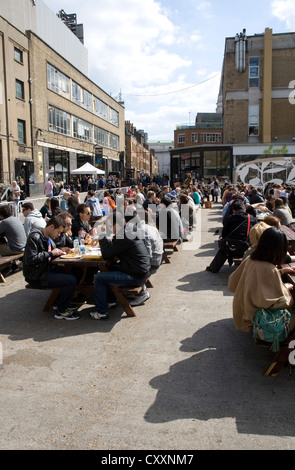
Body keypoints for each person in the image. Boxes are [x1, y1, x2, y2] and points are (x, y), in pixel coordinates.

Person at [228, 227, 295, 333]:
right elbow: (283, 303)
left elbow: (232, 284)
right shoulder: (269, 269)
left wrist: (281, 271)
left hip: (241, 313)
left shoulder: (249, 260)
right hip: (255, 320)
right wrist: (286, 288)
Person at [90, 212, 151, 320]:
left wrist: (102, 235)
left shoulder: (124, 235)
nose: (109, 229)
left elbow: (107, 254)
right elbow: (115, 246)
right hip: (141, 271)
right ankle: (111, 301)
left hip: (136, 276)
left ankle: (101, 312)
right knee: (108, 269)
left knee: (99, 278)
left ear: (116, 225)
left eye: (109, 226)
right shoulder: (129, 229)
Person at [23, 215, 80, 320]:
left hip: (45, 269)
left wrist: (62, 250)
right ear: (51, 227)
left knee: (75, 271)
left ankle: (61, 302)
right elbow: (30, 259)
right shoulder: (35, 237)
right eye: (58, 232)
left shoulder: (48, 237)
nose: (58, 235)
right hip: (36, 275)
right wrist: (50, 253)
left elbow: (51, 252)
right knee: (70, 280)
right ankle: (61, 311)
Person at [206, 201, 257, 273]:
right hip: (245, 246)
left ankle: (213, 268)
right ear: (244, 209)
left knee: (223, 247)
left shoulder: (230, 218)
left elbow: (224, 234)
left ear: (233, 210)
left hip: (230, 246)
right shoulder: (252, 219)